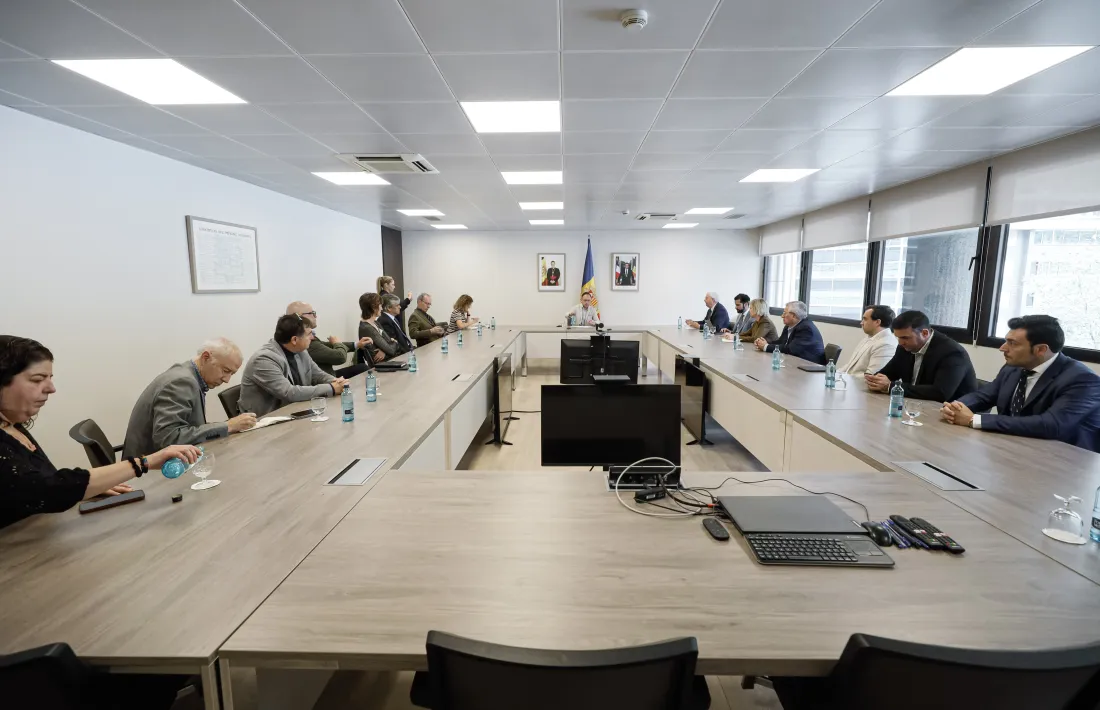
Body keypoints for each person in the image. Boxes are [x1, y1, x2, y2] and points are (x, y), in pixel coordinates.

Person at [0, 335, 202, 529]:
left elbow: (38, 483)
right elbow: (46, 491)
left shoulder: (12, 424)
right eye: (37, 380)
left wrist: (89, 487)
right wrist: (145, 462)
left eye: (49, 378)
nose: (51, 388)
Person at [942, 315, 1100, 450]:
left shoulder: (1083, 380)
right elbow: (985, 395)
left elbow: (1051, 425)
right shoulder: (1013, 367)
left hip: (1063, 462)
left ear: (1041, 350)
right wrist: (955, 407)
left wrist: (973, 419)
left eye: (1013, 343)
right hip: (1012, 447)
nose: (1003, 348)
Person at [122, 338, 257, 459]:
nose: (227, 380)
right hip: (149, 473)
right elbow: (168, 439)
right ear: (206, 357)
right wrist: (228, 426)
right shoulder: (181, 382)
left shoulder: (188, 376)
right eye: (226, 371)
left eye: (231, 374)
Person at [238, 315, 345, 417]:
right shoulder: (264, 359)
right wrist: (331, 388)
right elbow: (289, 393)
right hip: (264, 421)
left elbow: (317, 374)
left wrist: (337, 382)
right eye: (309, 334)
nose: (312, 337)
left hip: (295, 411)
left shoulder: (300, 350)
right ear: (294, 340)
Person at [866, 310, 977, 402]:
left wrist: (891, 387)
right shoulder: (905, 347)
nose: (900, 342)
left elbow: (940, 393)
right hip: (915, 405)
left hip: (952, 415)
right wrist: (875, 380)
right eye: (898, 337)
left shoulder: (952, 353)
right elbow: (887, 373)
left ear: (924, 333)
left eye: (905, 337)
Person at [286, 301, 372, 376]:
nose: (315, 316)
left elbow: (323, 345)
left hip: (326, 377)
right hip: (323, 382)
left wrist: (357, 344)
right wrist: (337, 343)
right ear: (300, 316)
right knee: (362, 368)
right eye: (312, 313)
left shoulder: (303, 336)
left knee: (361, 367)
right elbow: (340, 357)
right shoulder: (303, 340)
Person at [755, 301, 826, 364]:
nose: (782, 316)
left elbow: (791, 349)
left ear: (794, 316)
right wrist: (764, 342)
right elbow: (780, 342)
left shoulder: (806, 328)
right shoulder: (789, 325)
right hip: (794, 362)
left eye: (784, 313)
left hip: (810, 366)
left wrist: (766, 347)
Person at [837, 305, 898, 376]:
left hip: (859, 385)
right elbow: (849, 366)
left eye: (865, 319)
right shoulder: (869, 337)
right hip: (850, 382)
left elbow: (871, 376)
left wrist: (843, 378)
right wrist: (835, 375)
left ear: (877, 322)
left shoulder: (886, 345)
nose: (861, 323)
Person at [359, 292, 401, 360]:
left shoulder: (376, 323)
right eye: (380, 306)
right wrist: (394, 342)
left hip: (390, 361)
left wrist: (385, 349)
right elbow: (391, 350)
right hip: (382, 366)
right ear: (373, 307)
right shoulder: (367, 328)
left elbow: (389, 345)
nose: (382, 309)